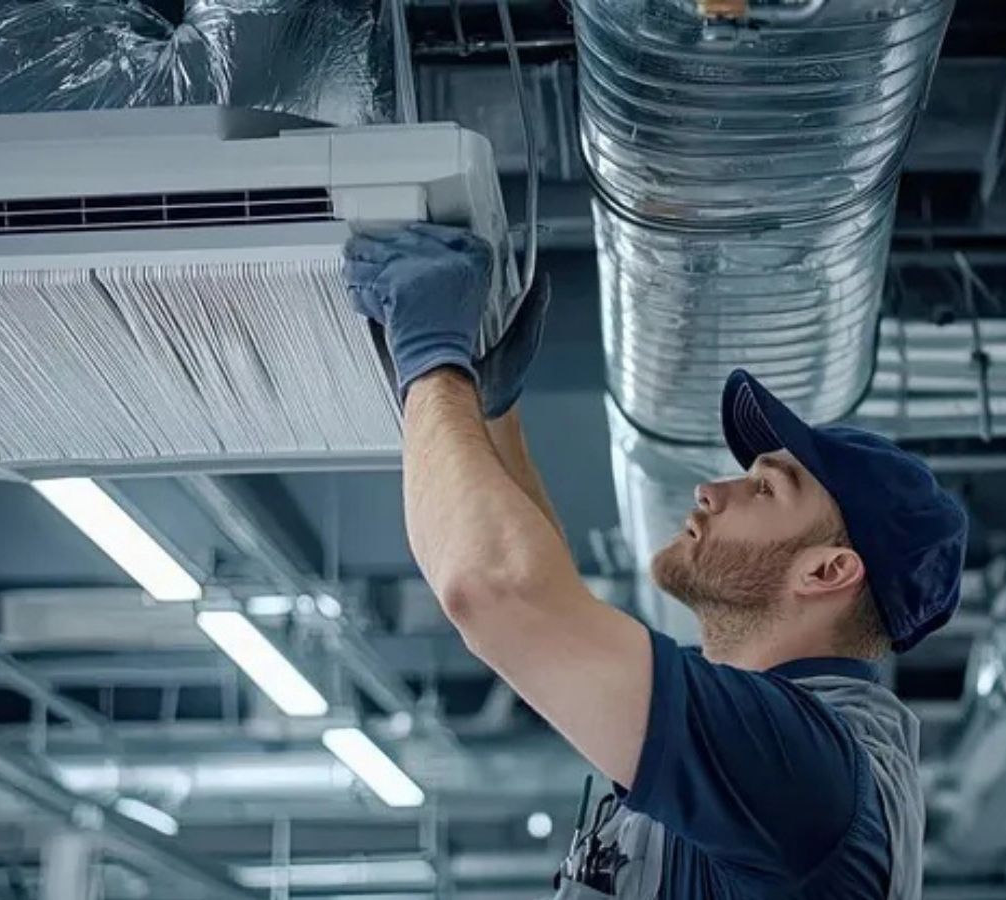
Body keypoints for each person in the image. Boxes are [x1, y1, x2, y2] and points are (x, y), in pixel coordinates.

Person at [344, 223, 967, 900]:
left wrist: (430, 358)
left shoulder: (794, 768)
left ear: (826, 572)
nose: (710, 489)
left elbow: (497, 593)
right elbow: (555, 620)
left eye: (764, 488)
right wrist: (495, 416)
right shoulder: (777, 750)